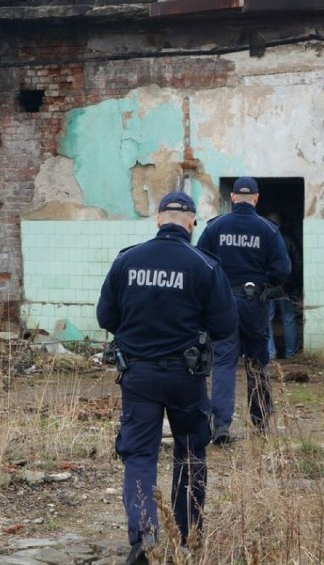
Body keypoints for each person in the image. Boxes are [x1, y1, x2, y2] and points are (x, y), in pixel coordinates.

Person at [96, 191, 238, 564]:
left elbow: (106, 318)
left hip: (137, 373)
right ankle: (187, 536)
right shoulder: (204, 265)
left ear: (158, 220)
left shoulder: (128, 260)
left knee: (140, 455)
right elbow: (225, 326)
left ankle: (144, 537)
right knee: (190, 452)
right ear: (191, 222)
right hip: (185, 376)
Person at [196, 177, 291, 444]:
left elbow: (200, 262)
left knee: (224, 362)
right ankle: (260, 422)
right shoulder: (268, 230)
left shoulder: (216, 227)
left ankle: (221, 425)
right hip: (255, 302)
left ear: (233, 198)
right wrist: (266, 283)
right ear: (257, 198)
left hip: (223, 301)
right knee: (256, 362)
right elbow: (283, 270)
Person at [266, 213, 302, 360]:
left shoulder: (263, 239)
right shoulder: (289, 239)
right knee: (289, 318)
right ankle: (290, 353)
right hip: (286, 286)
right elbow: (298, 262)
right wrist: (295, 284)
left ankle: (270, 353)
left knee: (267, 319)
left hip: (268, 287)